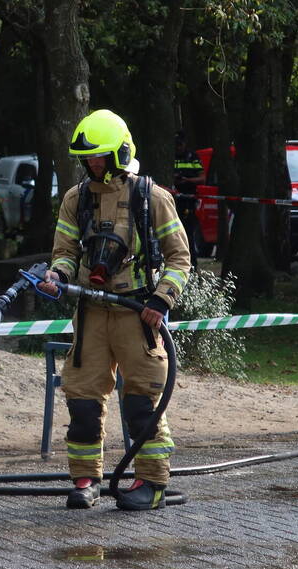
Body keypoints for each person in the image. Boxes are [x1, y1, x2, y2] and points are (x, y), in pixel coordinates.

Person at [37, 109, 191, 511]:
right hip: (91, 314)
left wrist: (161, 301)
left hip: (137, 313)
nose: (93, 165)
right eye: (88, 159)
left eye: (100, 157)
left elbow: (180, 258)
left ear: (120, 153)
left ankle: (151, 483)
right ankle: (86, 480)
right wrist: (57, 275)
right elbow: (66, 252)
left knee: (143, 402)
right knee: (83, 401)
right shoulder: (76, 199)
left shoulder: (151, 197)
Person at [173, 131, 206, 264]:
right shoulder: (171, 156)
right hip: (174, 199)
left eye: (180, 144)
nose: (178, 147)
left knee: (188, 233)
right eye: (176, 145)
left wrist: (188, 180)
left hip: (188, 201)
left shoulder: (193, 157)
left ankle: (192, 263)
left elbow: (203, 178)